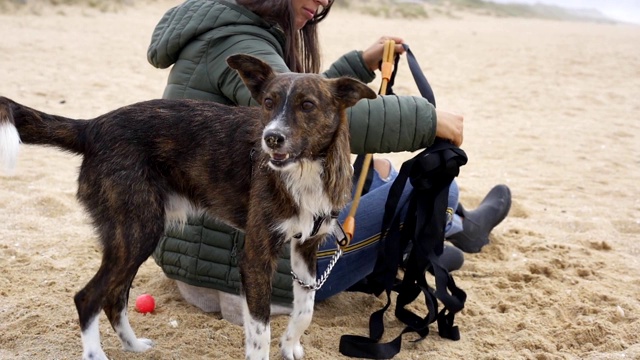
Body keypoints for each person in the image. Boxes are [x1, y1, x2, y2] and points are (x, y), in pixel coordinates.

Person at [147, 0, 511, 324]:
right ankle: (452, 229)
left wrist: (359, 64)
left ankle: (443, 233)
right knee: (436, 189)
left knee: (378, 173)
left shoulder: (228, 28)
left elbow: (307, 104)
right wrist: (429, 120)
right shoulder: (238, 43)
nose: (323, 2)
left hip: (207, 258)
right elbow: (330, 119)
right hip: (249, 275)